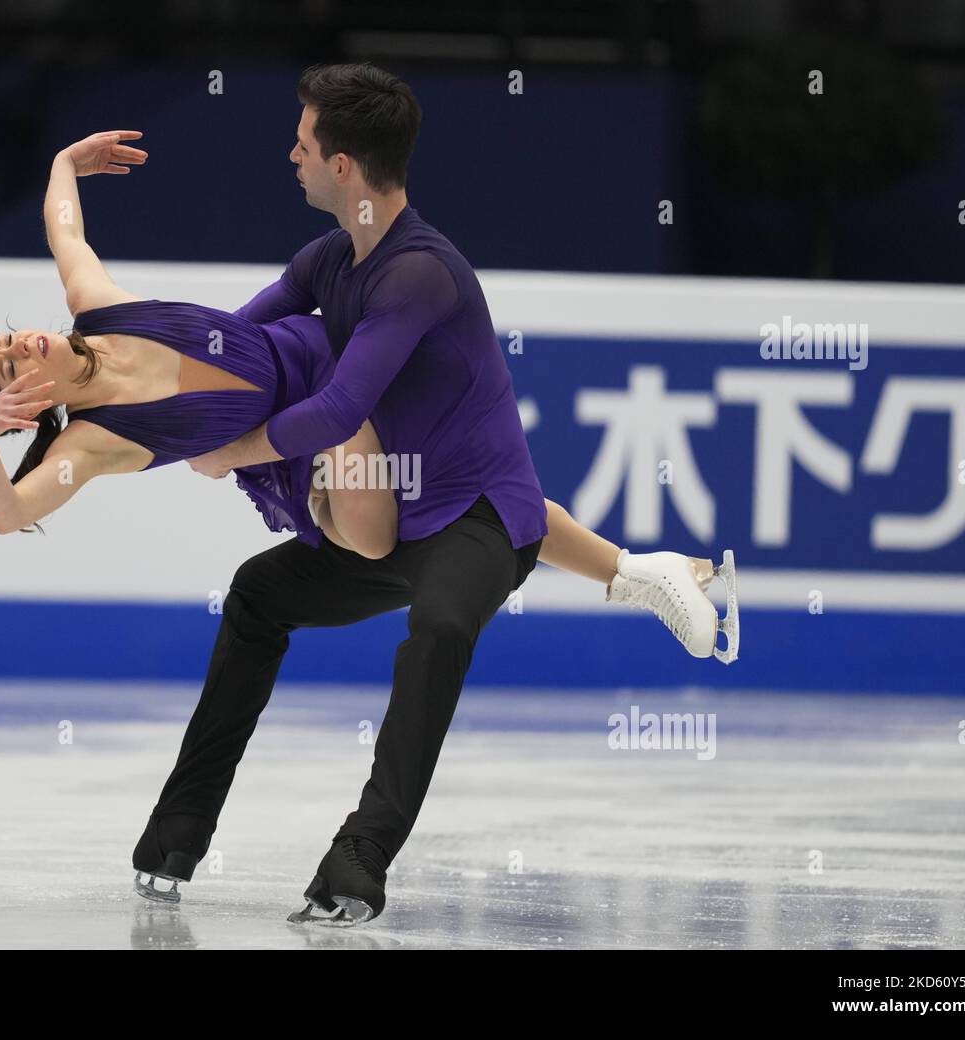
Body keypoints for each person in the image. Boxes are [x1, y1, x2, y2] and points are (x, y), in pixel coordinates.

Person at [137, 64, 738, 927]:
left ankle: (358, 860)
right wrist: (125, 394)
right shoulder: (324, 261)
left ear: (344, 165)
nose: (291, 154)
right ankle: (177, 832)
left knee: (443, 627)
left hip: (482, 519)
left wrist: (235, 450)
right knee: (258, 597)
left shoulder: (420, 274)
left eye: (304, 143)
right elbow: (231, 346)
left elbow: (341, 406)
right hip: (397, 519)